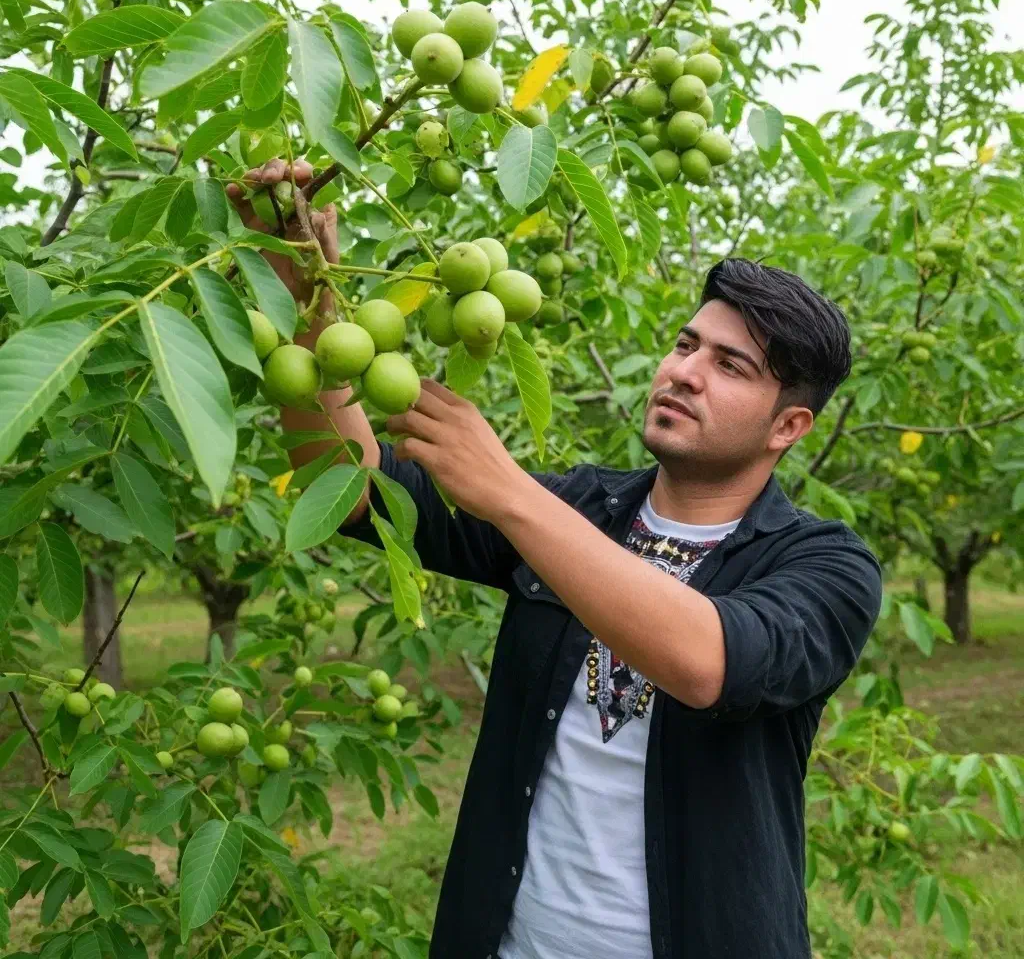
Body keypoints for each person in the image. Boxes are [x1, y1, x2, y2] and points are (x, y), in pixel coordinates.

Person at [230, 161, 883, 959]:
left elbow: (707, 659)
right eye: (687, 344)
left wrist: (506, 490)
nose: (684, 372)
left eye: (730, 366)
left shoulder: (829, 566)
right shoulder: (583, 508)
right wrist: (311, 301)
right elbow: (351, 488)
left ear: (788, 429)